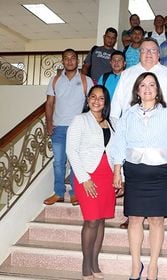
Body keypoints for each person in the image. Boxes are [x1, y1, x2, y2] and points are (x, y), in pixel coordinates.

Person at [111, 72, 167, 280]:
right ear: (137, 90)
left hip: (160, 171)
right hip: (134, 171)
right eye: (143, 85)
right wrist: (118, 170)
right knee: (133, 219)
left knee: (156, 220)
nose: (148, 88)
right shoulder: (128, 114)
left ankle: (153, 266)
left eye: (152, 85)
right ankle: (136, 265)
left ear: (157, 90)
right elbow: (120, 142)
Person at [66, 85, 116, 280]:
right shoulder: (80, 120)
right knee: (92, 220)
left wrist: (120, 176)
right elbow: (71, 150)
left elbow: (117, 152)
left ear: (106, 102)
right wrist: (84, 178)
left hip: (107, 175)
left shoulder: (113, 122)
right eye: (93, 97)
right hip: (87, 175)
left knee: (101, 219)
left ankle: (95, 263)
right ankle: (86, 266)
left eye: (101, 98)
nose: (97, 101)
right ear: (88, 100)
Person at [43, 48, 93, 206]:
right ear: (62, 61)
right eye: (66, 58)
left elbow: (93, 103)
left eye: (73, 58)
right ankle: (58, 193)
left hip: (78, 129)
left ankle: (75, 192)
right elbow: (49, 103)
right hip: (58, 128)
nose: (70, 61)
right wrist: (49, 123)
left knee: (75, 162)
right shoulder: (55, 80)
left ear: (77, 61)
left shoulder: (86, 80)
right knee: (58, 162)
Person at [111, 38, 167, 126]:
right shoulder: (126, 74)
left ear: (158, 54)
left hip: (161, 127)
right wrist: (115, 127)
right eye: (144, 50)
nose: (148, 53)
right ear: (139, 53)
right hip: (130, 127)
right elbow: (116, 104)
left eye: (153, 50)